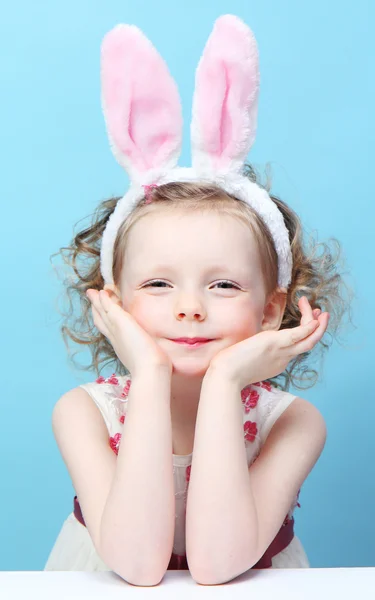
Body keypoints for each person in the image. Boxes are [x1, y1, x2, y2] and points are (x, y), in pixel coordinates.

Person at [44, 14, 350, 586]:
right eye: (158, 284)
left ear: (268, 310)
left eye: (224, 284)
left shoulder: (293, 423)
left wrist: (226, 381)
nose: (190, 307)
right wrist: (152, 373)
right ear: (114, 303)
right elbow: (137, 567)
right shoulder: (83, 412)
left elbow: (216, 567)